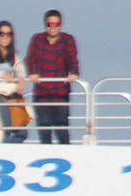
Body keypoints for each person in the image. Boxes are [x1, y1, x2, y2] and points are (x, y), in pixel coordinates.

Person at [25, 10, 80, 146]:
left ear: (61, 25)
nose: (53, 27)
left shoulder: (67, 40)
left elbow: (72, 58)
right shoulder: (37, 39)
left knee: (62, 129)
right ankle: (45, 157)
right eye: (50, 24)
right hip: (42, 93)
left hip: (60, 93)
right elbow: (29, 59)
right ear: (45, 25)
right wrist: (31, 72)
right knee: (44, 131)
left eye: (56, 24)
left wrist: (74, 72)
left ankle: (67, 156)